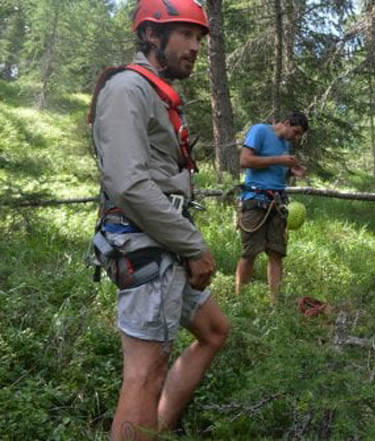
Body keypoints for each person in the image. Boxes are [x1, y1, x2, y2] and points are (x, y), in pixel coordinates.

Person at [88, 1, 229, 439]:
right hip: (145, 245)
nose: (194, 47)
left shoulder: (152, 90)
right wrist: (193, 245)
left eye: (199, 39)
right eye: (185, 35)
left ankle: (158, 425)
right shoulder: (128, 89)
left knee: (214, 331)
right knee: (144, 373)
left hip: (163, 242)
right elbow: (129, 184)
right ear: (151, 36)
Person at [234, 112, 309, 300]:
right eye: (296, 131)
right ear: (286, 122)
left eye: (299, 135)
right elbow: (245, 161)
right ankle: (240, 300)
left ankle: (275, 304)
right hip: (255, 200)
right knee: (249, 252)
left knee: (276, 253)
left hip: (277, 204)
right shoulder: (259, 131)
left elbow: (274, 172)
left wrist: (292, 171)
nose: (296, 137)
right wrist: (279, 160)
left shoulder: (285, 145)